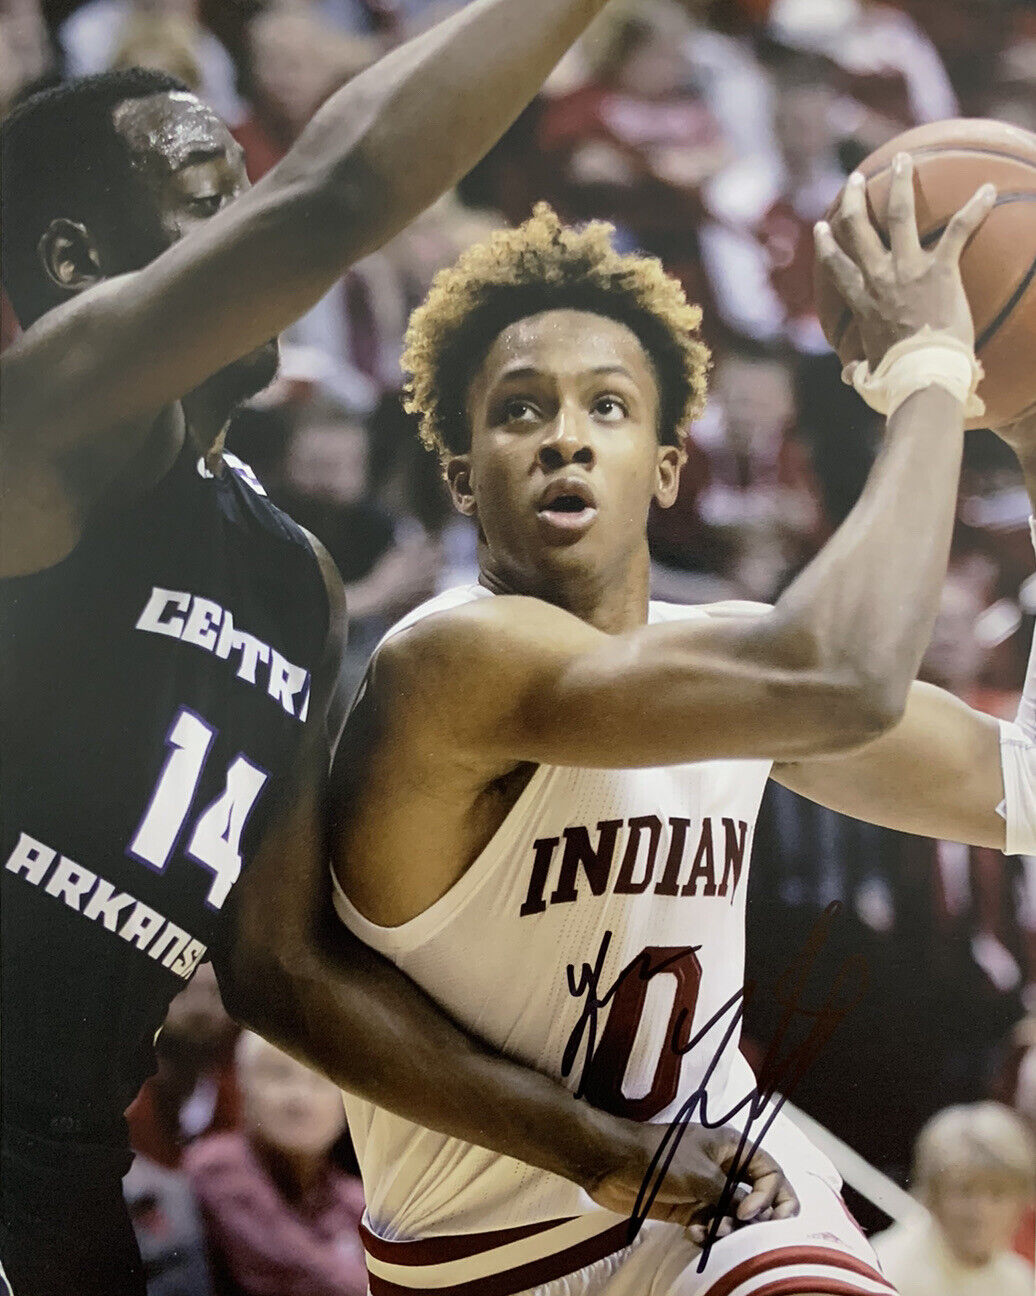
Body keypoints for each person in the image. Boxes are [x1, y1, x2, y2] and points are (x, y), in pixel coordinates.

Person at [0, 4, 757, 1291]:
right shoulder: (42, 437)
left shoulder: (292, 578)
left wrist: (596, 1148)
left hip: (68, 1165)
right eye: (208, 201)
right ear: (76, 259)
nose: (254, 236)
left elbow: (282, 971)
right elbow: (334, 197)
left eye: (250, 195)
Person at [328, 157, 996, 1295]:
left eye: (608, 407)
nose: (564, 437)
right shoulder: (449, 657)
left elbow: (1014, 789)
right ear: (459, 477)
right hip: (489, 1258)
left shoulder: (732, 665)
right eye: (519, 409)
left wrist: (1024, 437)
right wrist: (932, 371)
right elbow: (842, 673)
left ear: (669, 467)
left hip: (720, 1191)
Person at [185, 1032, 368, 1296]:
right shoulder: (219, 1167)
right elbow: (297, 1271)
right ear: (243, 1086)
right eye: (280, 1075)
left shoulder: (354, 1198)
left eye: (319, 1081)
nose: (300, 1099)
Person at [872, 1103, 1035, 1296]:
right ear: (933, 1194)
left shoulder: (1020, 1282)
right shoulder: (885, 1273)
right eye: (965, 1192)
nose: (981, 1212)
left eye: (997, 1194)